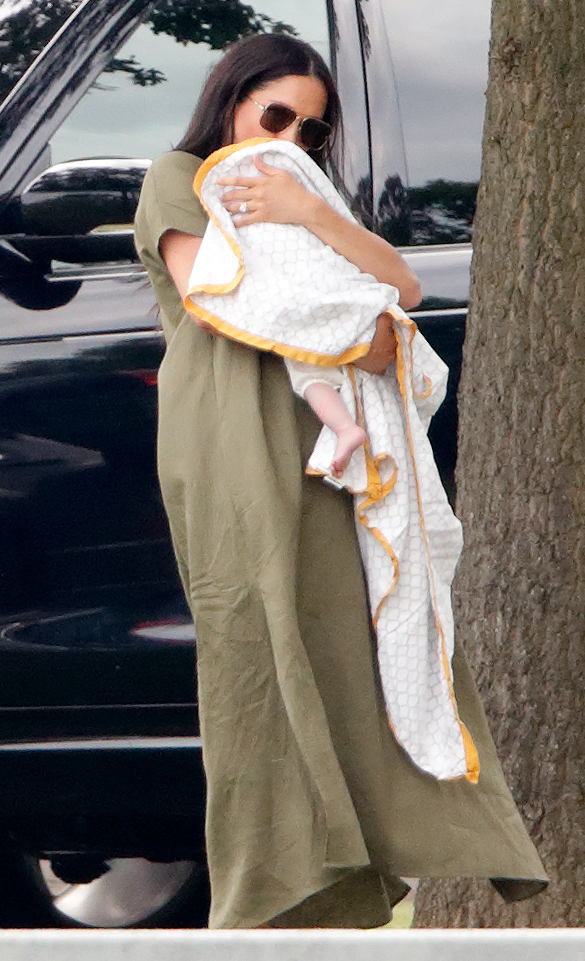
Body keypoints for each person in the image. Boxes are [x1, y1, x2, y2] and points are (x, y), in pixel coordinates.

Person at [134, 32, 546, 931]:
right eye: (272, 113)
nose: (287, 136)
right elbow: (230, 296)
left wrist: (309, 211)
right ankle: (259, 909)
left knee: (355, 657)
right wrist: (365, 334)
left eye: (310, 131)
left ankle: (361, 888)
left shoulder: (298, 199)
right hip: (233, 454)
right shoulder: (181, 176)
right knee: (255, 663)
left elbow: (397, 289)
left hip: (333, 466)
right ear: (231, 99)